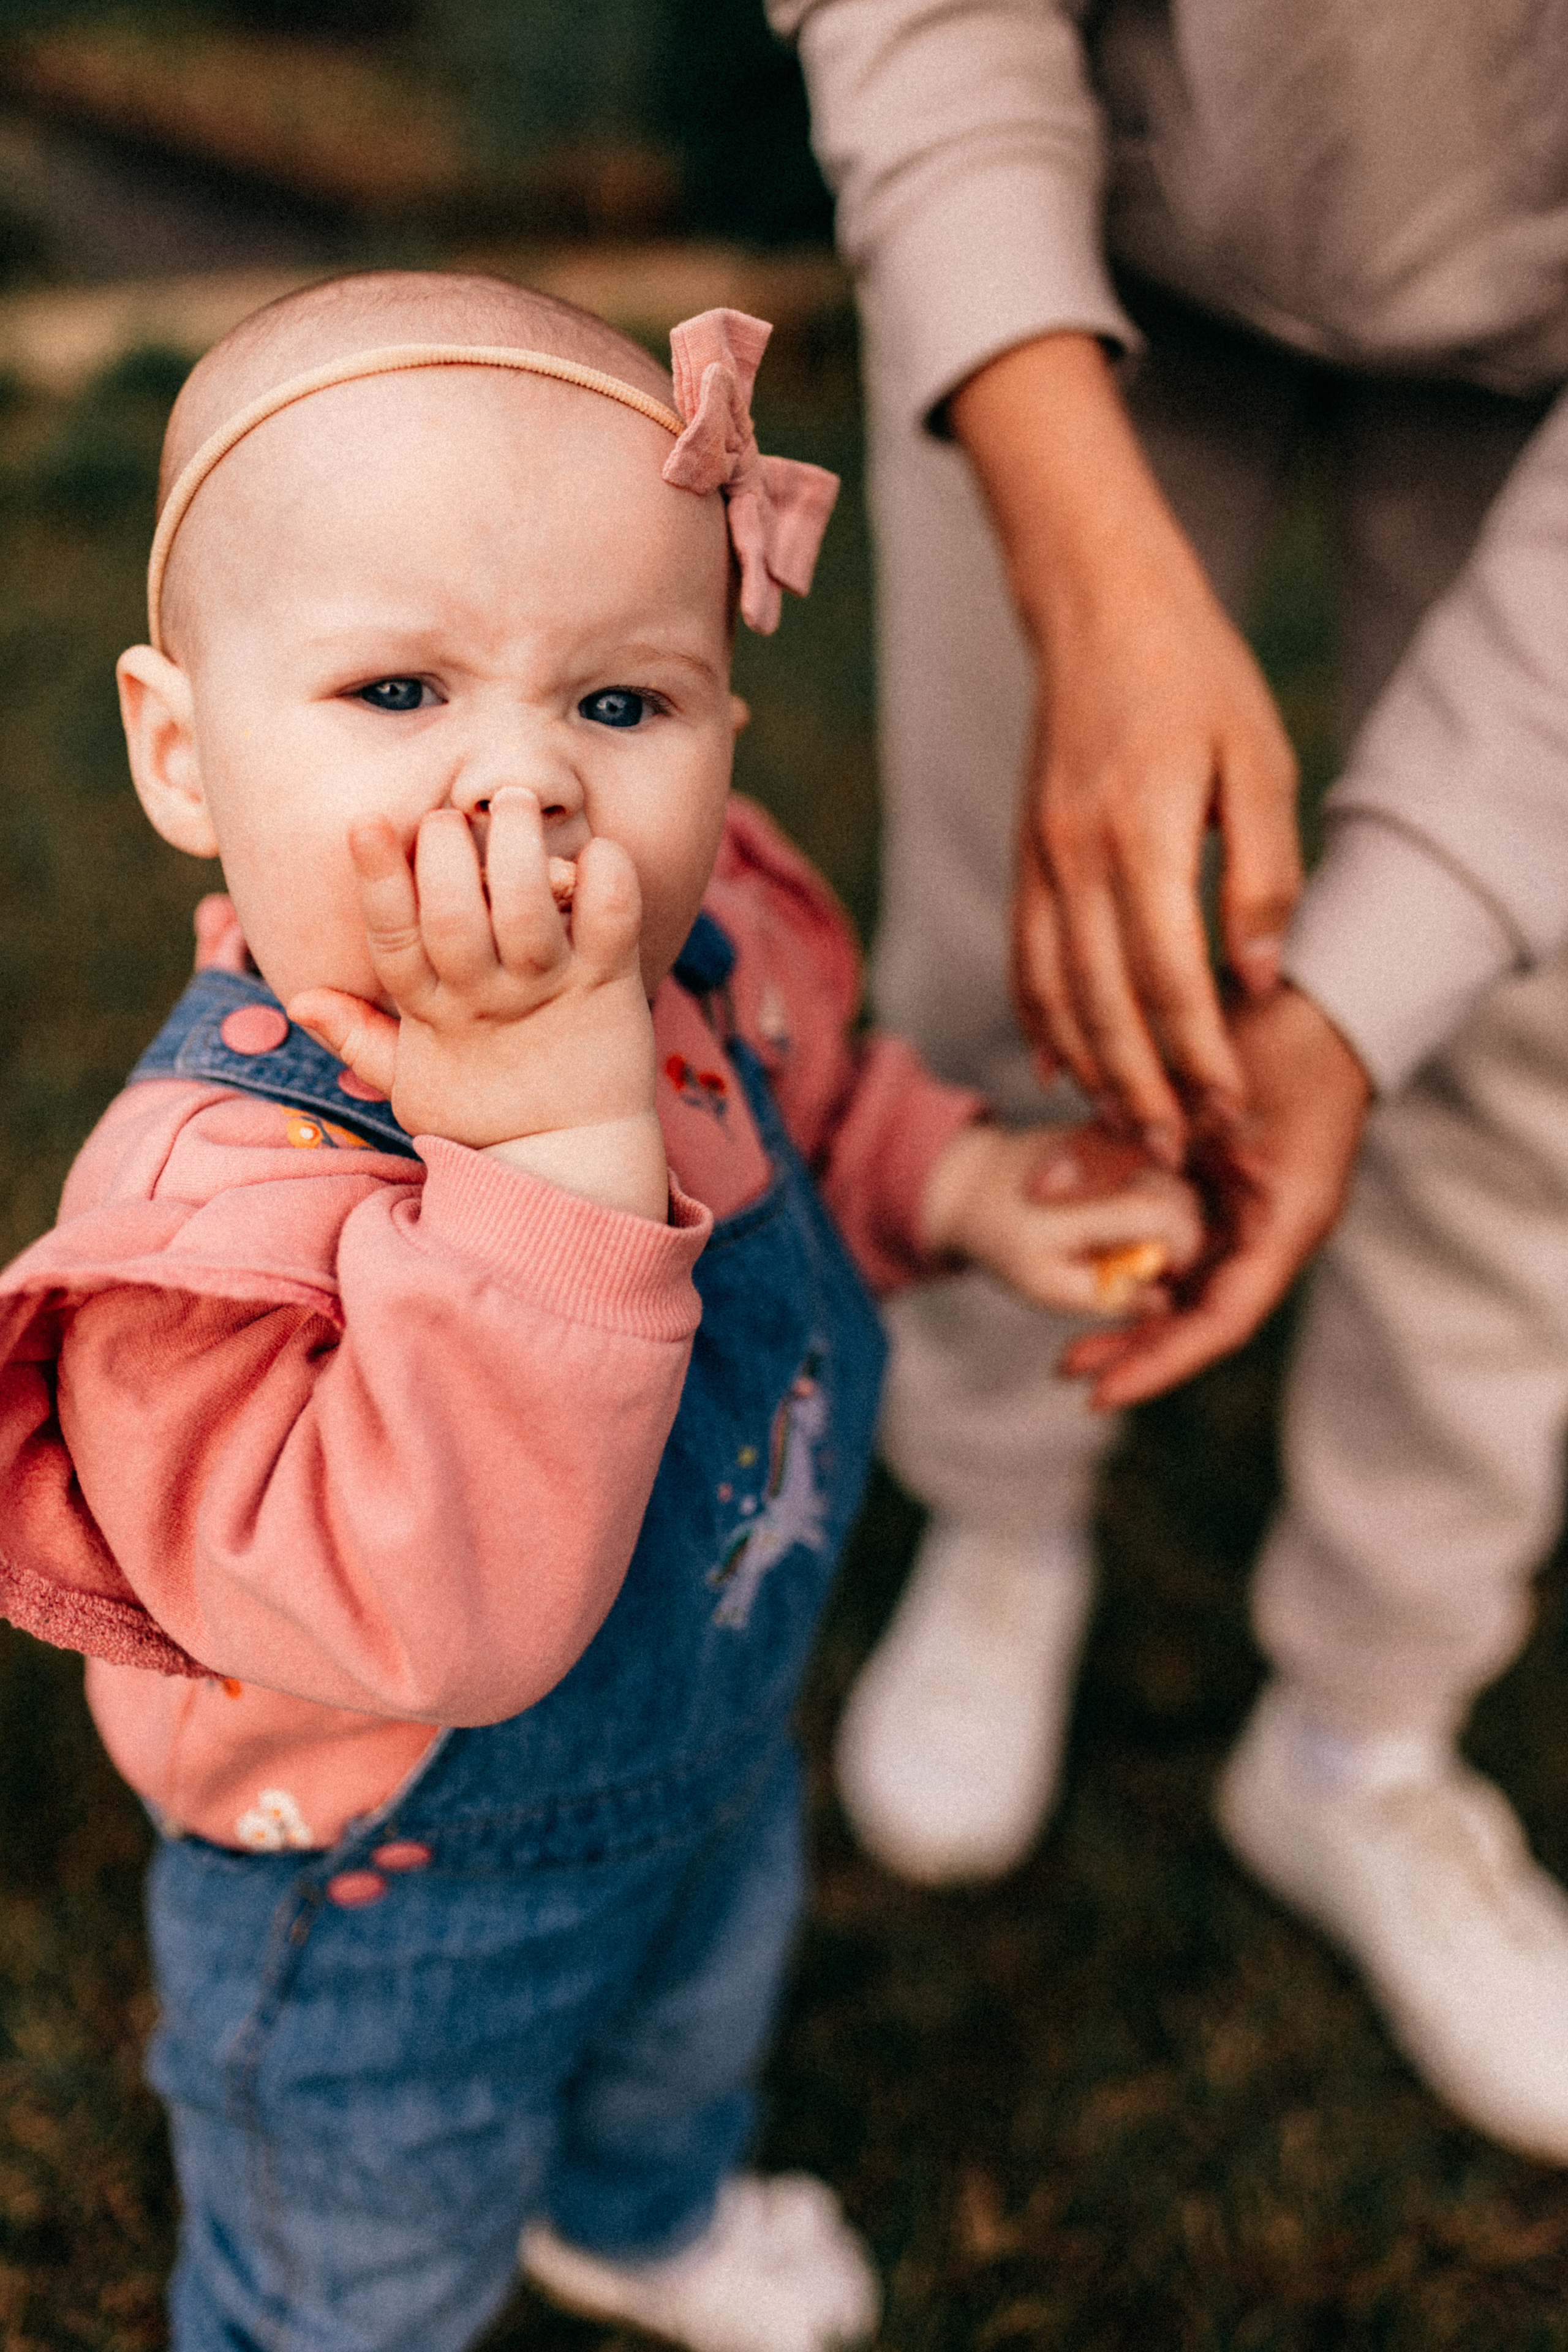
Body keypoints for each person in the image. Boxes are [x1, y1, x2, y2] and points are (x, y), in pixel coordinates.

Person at [0, 269, 1201, 2352]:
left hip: (715, 1731)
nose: (523, 791)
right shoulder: (204, 1220)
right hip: (395, 1897)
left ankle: (637, 2212)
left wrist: (972, 1180)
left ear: (721, 733)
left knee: (689, 2014)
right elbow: (447, 1621)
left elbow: (810, 1099)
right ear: (182, 752)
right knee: (360, 2263)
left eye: (619, 705)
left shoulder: (688, 953)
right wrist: (552, 1148)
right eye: (398, 693)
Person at [771, 0, 1568, 2158]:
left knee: (1519, 1039)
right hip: (1077, 228)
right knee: (1026, 956)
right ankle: (1002, 1512)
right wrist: (1078, 546)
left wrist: (1361, 986)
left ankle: (1364, 1728)